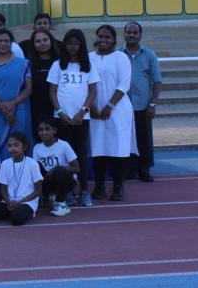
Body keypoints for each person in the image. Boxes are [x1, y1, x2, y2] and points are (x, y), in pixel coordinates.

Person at [47, 28, 98, 206]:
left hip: (81, 118)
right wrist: (60, 112)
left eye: (76, 43)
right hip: (62, 118)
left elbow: (93, 91)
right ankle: (68, 190)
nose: (72, 47)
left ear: (81, 45)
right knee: (64, 155)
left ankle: (84, 190)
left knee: (81, 154)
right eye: (68, 43)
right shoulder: (58, 65)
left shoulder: (88, 65)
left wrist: (82, 111)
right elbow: (52, 91)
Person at [89, 25, 136, 201]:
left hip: (117, 110)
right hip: (94, 111)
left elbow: (124, 84)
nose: (103, 40)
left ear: (114, 40)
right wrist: (90, 108)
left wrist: (109, 106)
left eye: (107, 37)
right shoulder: (89, 58)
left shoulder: (121, 57)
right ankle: (99, 187)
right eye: (100, 36)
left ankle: (118, 187)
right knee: (98, 148)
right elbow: (85, 84)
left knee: (118, 149)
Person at [0, 28, 33, 158]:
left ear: (11, 43)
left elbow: (28, 88)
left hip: (19, 108)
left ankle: (22, 169)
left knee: (20, 139)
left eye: (6, 41)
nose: (3, 43)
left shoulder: (23, 63)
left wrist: (12, 103)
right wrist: (2, 106)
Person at [123, 21, 162, 182]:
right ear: (124, 34)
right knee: (125, 140)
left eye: (135, 32)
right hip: (122, 106)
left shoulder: (149, 55)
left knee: (143, 140)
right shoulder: (118, 54)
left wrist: (152, 104)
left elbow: (157, 81)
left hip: (143, 106)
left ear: (140, 35)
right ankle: (127, 170)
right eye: (129, 32)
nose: (131, 35)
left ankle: (144, 170)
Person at [32, 117, 79, 217]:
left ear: (55, 130)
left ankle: (61, 203)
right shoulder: (37, 148)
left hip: (65, 180)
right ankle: (50, 196)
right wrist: (39, 194)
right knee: (35, 167)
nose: (44, 132)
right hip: (48, 181)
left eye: (47, 129)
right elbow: (36, 173)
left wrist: (56, 169)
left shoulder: (64, 145)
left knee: (59, 171)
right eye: (41, 130)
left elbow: (77, 168)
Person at [0, 132, 43, 226]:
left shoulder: (32, 163)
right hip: (9, 202)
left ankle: (25, 212)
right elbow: (3, 189)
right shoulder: (5, 164)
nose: (12, 148)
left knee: (17, 219)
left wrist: (20, 201)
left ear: (24, 147)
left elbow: (38, 190)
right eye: (9, 146)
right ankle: (12, 210)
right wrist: (9, 202)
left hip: (27, 202)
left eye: (16, 145)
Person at [27, 29, 62, 124]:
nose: (42, 43)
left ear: (51, 41)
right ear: (33, 44)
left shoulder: (61, 62)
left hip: (60, 111)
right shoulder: (28, 64)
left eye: (45, 40)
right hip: (36, 111)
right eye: (38, 41)